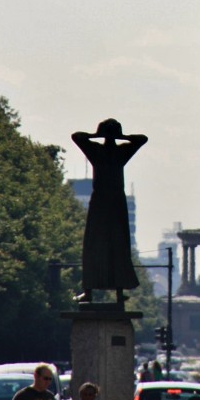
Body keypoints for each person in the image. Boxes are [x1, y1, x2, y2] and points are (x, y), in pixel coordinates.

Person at [71, 119, 147, 305]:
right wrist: (122, 137)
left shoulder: (97, 151)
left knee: (92, 246)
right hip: (116, 203)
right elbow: (141, 139)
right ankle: (119, 293)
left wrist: (96, 135)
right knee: (118, 246)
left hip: (100, 204)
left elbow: (77, 136)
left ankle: (88, 293)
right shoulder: (121, 152)